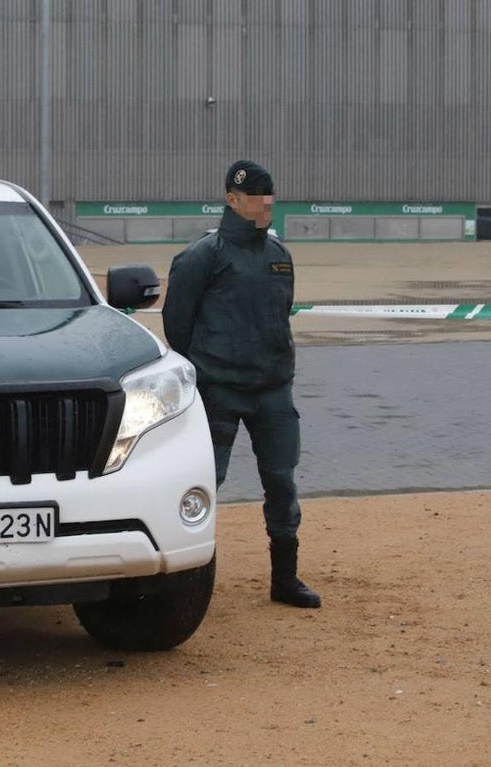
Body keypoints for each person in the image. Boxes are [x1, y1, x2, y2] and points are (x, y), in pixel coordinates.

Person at [162, 159, 321, 609]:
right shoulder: (201, 257)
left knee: (281, 481)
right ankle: (189, 583)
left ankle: (284, 579)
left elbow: (280, 315)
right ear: (232, 200)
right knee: (206, 484)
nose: (265, 204)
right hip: (219, 393)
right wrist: (212, 371)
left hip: (273, 390)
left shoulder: (279, 256)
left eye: (269, 195)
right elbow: (178, 328)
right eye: (255, 196)